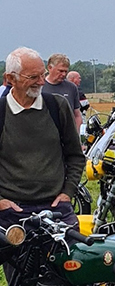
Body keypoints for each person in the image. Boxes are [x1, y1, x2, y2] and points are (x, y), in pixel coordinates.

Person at [0, 47, 85, 229]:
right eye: (33, 77)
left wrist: (67, 193)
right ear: (10, 78)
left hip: (55, 207)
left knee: (74, 255)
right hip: (10, 211)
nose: (41, 82)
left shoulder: (57, 106)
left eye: (42, 74)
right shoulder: (1, 112)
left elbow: (76, 155)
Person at [41, 53, 82, 131]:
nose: (63, 74)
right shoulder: (40, 87)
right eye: (60, 71)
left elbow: (77, 115)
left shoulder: (72, 87)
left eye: (65, 71)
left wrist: (75, 135)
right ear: (50, 68)